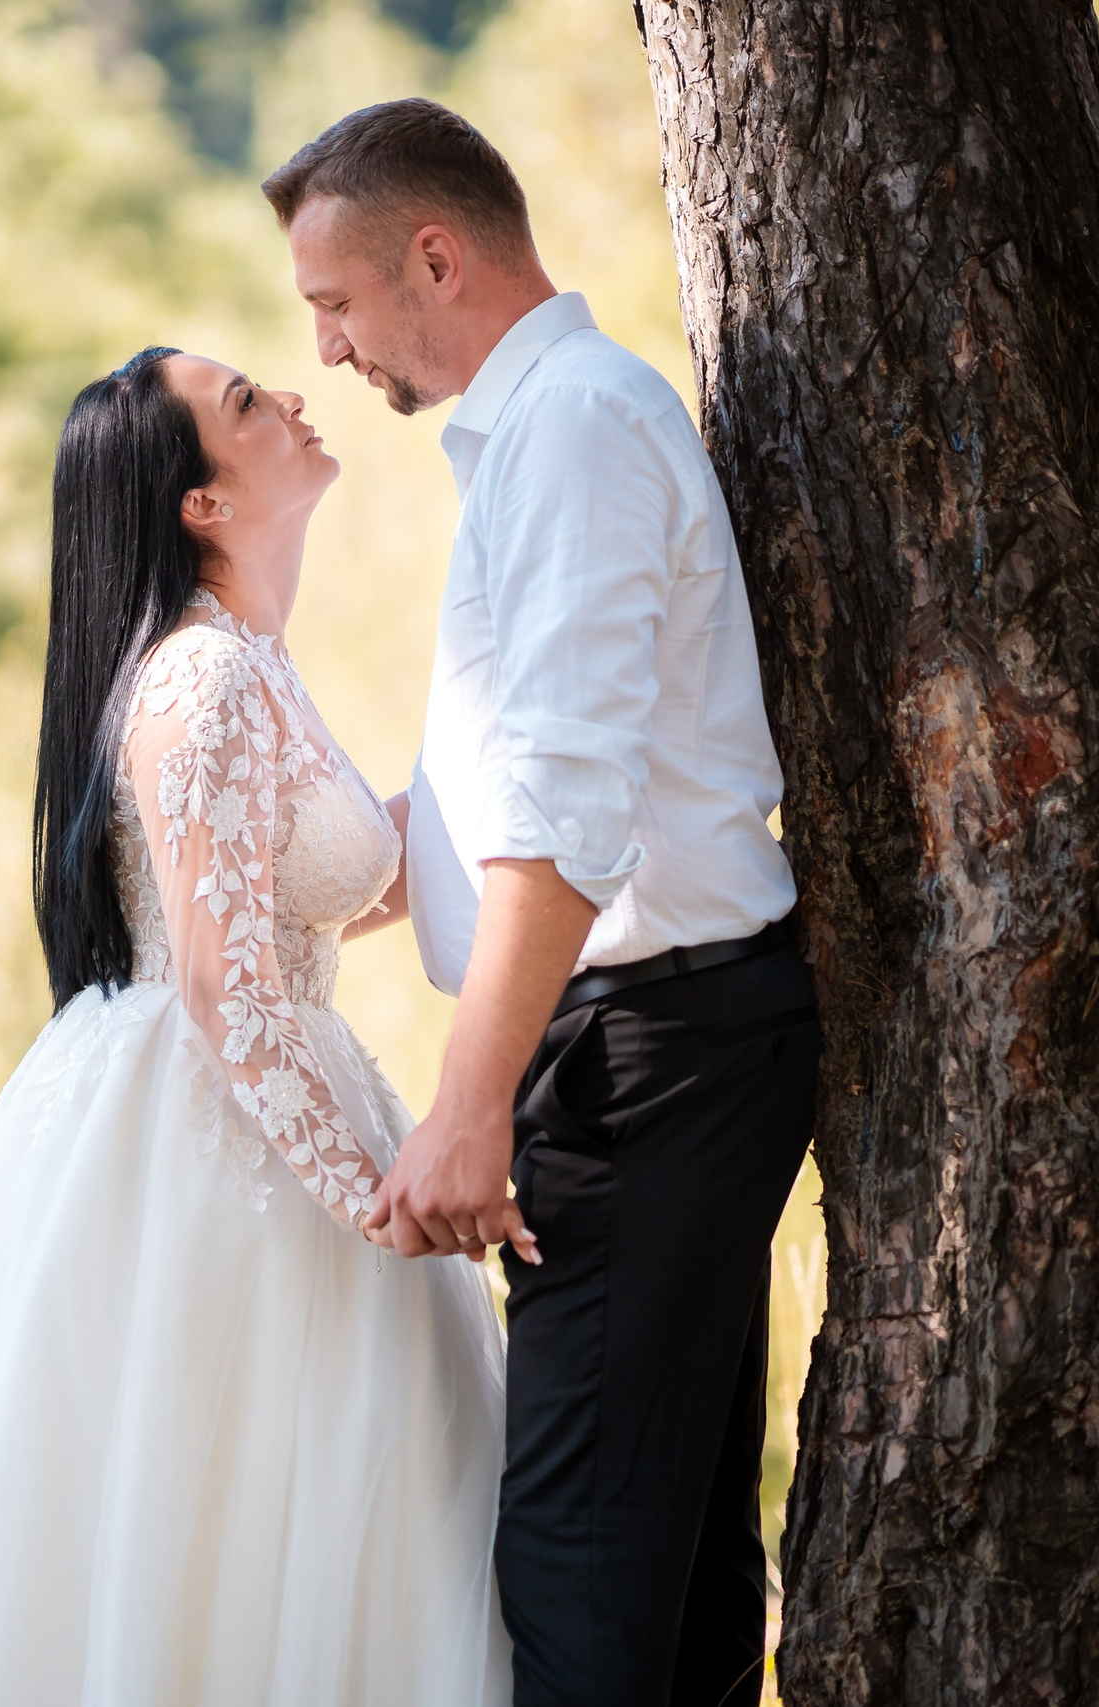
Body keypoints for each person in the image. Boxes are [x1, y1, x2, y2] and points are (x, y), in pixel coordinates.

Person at [0, 346, 516, 1705]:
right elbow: (228, 985)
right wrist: (378, 1200)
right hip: (220, 1151)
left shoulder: (248, 664)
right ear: (203, 505)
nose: (294, 398)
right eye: (247, 405)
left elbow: (299, 907)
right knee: (198, 1537)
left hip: (280, 1090)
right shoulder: (201, 683)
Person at [262, 98, 821, 1707]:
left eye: (337, 305)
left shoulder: (572, 430)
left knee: (576, 1575)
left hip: (647, 1059)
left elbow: (568, 819)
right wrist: (264, 891)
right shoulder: (547, 432)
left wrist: (467, 1106)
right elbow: (497, 795)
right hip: (663, 1044)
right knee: (673, 1569)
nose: (332, 349)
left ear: (432, 256)